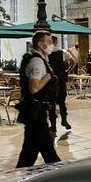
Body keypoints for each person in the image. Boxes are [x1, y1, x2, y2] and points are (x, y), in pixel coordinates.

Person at [15, 31, 61, 168]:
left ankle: (58, 172)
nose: (52, 44)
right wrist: (47, 77)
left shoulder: (39, 59)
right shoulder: (37, 62)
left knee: (37, 151)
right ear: (41, 44)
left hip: (36, 112)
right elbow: (34, 88)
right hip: (35, 112)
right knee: (38, 153)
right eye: (49, 41)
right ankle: (60, 175)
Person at [48, 35, 75, 131]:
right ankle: (64, 120)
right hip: (61, 80)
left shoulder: (46, 53)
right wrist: (67, 70)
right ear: (56, 42)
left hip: (50, 82)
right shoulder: (63, 52)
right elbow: (74, 61)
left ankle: (53, 126)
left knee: (51, 104)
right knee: (62, 102)